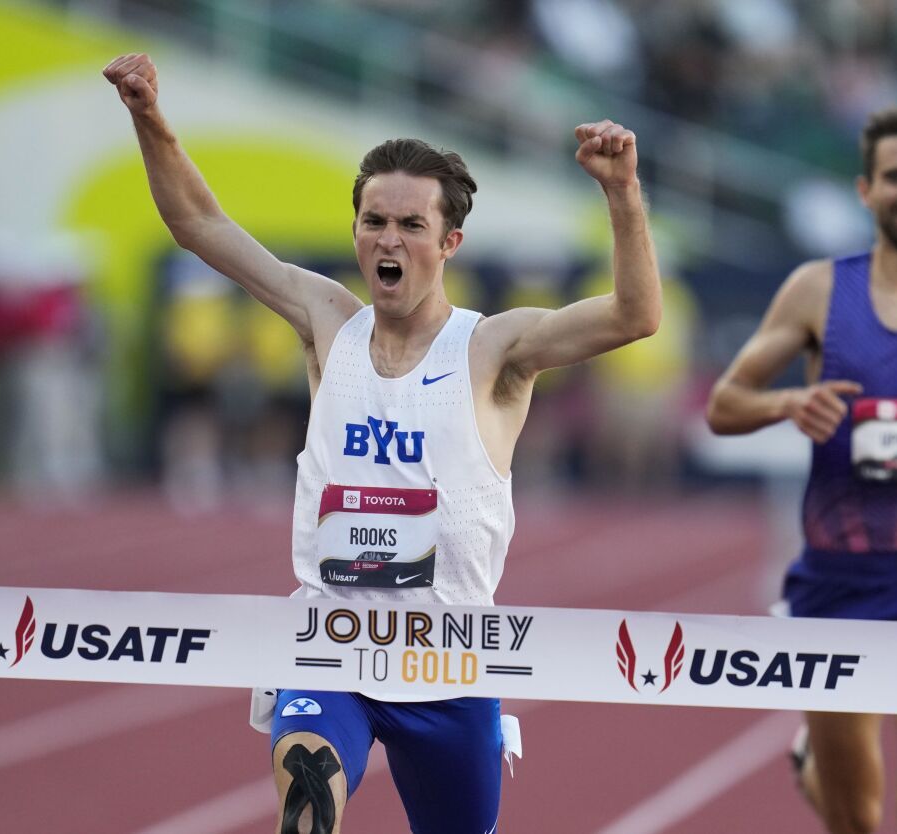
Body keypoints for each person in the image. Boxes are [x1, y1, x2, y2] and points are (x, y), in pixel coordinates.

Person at [103, 53, 661, 834]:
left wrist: (622, 192)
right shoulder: (326, 318)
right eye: (373, 221)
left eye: (410, 225)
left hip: (449, 658)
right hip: (331, 641)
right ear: (357, 231)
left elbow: (635, 316)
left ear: (449, 242)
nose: (386, 240)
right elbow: (198, 224)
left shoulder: (493, 348)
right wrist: (149, 117)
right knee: (308, 795)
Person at [706, 108, 897, 834]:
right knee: (856, 820)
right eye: (896, 177)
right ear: (865, 191)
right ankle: (819, 771)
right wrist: (789, 401)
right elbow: (724, 403)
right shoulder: (818, 289)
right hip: (838, 582)